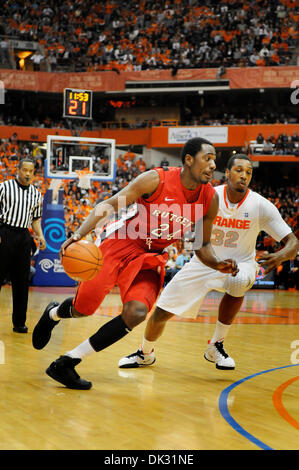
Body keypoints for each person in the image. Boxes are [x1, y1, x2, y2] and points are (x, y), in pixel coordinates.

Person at [32, 137, 238, 389]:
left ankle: (67, 362)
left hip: (151, 257)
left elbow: (202, 246)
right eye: (208, 158)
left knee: (137, 313)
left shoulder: (209, 198)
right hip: (121, 242)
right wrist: (79, 234)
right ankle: (53, 313)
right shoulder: (156, 179)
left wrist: (218, 264)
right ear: (188, 160)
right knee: (84, 309)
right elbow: (109, 204)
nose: (212, 165)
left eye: (214, 160)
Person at [118, 154, 299, 370]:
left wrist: (280, 255)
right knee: (161, 311)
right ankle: (145, 353)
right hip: (205, 260)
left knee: (239, 279)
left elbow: (293, 242)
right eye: (239, 170)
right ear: (228, 173)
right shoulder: (210, 196)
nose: (244, 176)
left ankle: (216, 344)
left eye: (249, 172)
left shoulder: (260, 205)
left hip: (241, 262)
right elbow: (197, 242)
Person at [0, 157, 46, 332]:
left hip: (23, 237)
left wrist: (40, 236)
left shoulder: (36, 194)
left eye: (31, 171)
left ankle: (19, 322)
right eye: (24, 170)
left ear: (34, 173)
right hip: (4, 233)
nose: (27, 174)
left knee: (21, 282)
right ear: (18, 170)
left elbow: (35, 219)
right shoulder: (4, 187)